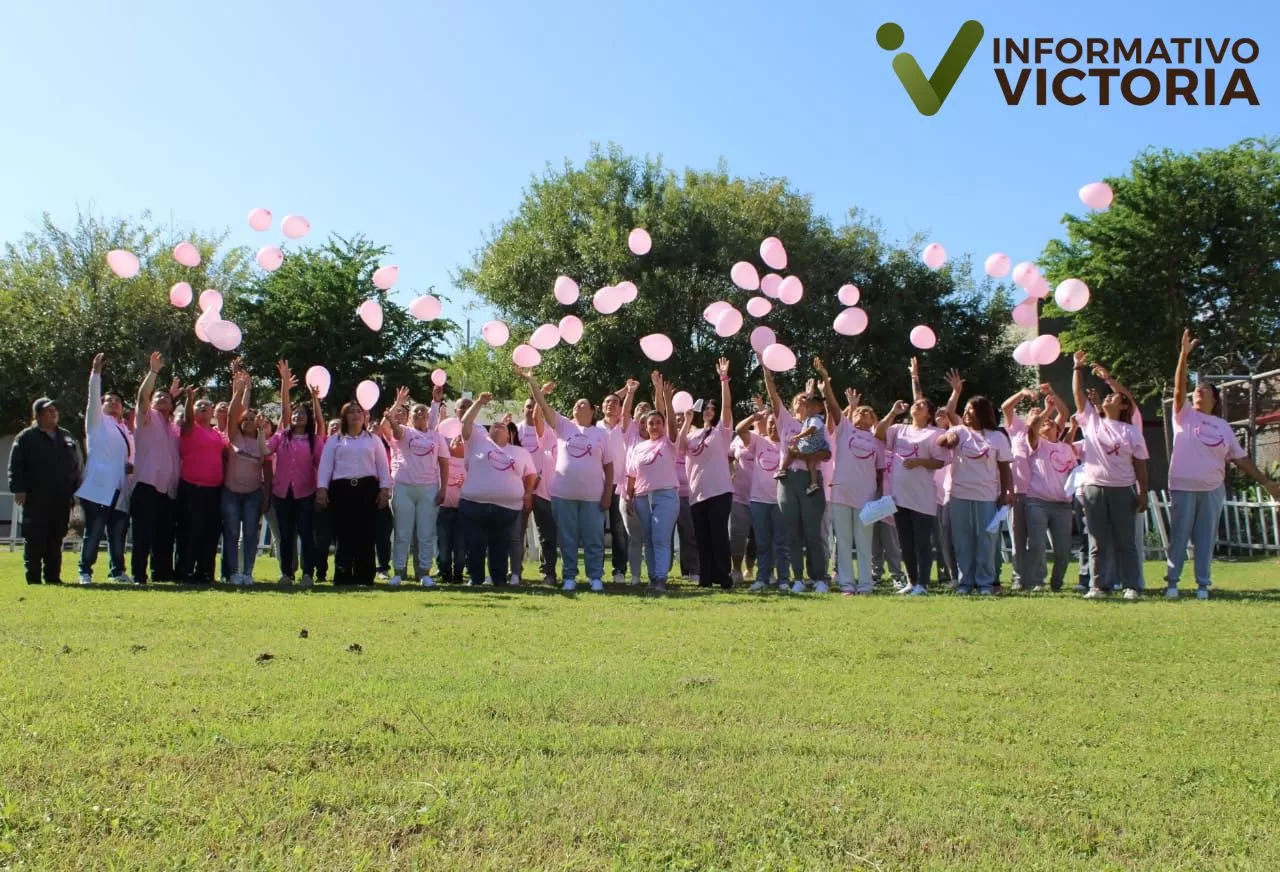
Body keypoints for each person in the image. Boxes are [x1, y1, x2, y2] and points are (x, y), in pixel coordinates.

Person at [1165, 329, 1280, 598]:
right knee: (1179, 537)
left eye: (1203, 391)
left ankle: (1203, 585)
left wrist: (1265, 482)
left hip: (1212, 489)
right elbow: (1179, 387)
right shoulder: (1183, 416)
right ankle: (1172, 583)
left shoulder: (1222, 426)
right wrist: (1183, 356)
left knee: (1206, 538)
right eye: (1196, 391)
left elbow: (1240, 459)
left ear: (1214, 399)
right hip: (1183, 487)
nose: (1198, 393)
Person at [521, 369, 614, 592]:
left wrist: (608, 493)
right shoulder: (564, 426)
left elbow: (609, 466)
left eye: (583, 404)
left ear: (592, 411)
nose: (577, 407)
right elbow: (542, 406)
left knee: (594, 538)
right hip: (563, 495)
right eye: (576, 404)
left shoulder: (601, 434)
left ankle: (595, 577)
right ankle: (569, 576)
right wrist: (533, 382)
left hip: (593, 496)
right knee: (567, 538)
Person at [1072, 350, 1149, 600]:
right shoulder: (1092, 422)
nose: (1108, 399)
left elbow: (1141, 465)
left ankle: (1131, 586)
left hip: (1123, 489)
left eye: (1114, 397)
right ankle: (1099, 585)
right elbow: (1077, 395)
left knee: (1125, 541)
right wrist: (1077, 369)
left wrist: (1143, 492)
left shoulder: (1131, 431)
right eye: (1107, 397)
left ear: (1124, 404)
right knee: (1098, 540)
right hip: (1094, 487)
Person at [936, 371, 1014, 596]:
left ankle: (985, 583)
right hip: (960, 495)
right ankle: (965, 582)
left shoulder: (997, 437)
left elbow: (1005, 468)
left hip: (987, 496)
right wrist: (947, 438)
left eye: (971, 410)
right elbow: (942, 440)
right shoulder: (960, 431)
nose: (967, 414)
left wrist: (1008, 491)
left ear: (981, 413)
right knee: (963, 541)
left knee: (986, 540)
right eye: (966, 410)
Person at [813, 359, 883, 595]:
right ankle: (846, 584)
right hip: (841, 492)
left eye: (868, 412)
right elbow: (833, 407)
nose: (863, 413)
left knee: (864, 542)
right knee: (842, 541)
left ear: (874, 421)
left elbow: (881, 471)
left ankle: (865, 584)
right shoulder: (845, 430)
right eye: (859, 411)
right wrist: (825, 379)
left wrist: (879, 496)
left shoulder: (877, 441)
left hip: (866, 495)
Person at [456, 393, 538, 588]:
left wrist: (527, 493)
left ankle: (499, 580)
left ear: (510, 434)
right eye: (494, 425)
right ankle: (475, 580)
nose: (498, 425)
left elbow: (532, 474)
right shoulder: (477, 441)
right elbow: (466, 421)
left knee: (500, 547)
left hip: (507, 508)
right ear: (487, 431)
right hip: (475, 504)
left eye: (502, 425)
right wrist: (479, 403)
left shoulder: (520, 452)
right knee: (475, 545)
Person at [763, 362, 830, 592]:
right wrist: (766, 370)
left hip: (810, 480)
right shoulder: (786, 421)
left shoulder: (817, 423)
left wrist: (803, 453)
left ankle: (819, 578)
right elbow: (772, 395)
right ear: (792, 406)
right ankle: (798, 579)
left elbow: (827, 453)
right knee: (792, 533)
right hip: (788, 481)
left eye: (806, 399)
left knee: (812, 533)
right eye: (799, 399)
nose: (802, 401)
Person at [875, 390, 949, 596]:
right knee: (905, 542)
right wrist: (892, 412)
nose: (917, 406)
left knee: (922, 543)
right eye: (916, 403)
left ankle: (923, 584)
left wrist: (919, 462)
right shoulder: (899, 429)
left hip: (923, 497)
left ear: (929, 413)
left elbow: (940, 461)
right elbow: (878, 433)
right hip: (900, 496)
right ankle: (912, 581)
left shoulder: (934, 434)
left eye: (922, 405)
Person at [1003, 385, 1076, 592]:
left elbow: (1064, 413)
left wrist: (1051, 394)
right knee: (1022, 540)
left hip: (1042, 496)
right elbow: (1007, 408)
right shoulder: (1019, 431)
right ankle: (1023, 578)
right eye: (1033, 412)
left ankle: (1040, 580)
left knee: (1043, 544)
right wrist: (1024, 394)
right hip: (1021, 493)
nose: (1038, 413)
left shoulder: (1053, 442)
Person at [74, 354, 135, 585]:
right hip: (99, 488)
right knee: (95, 530)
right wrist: (96, 373)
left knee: (118, 534)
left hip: (120, 489)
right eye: (108, 400)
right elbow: (92, 399)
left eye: (117, 401)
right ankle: (85, 572)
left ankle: (117, 571)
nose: (113, 403)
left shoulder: (124, 430)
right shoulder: (96, 422)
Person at [316, 401, 391, 585]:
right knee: (344, 532)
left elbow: (382, 467)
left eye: (359, 411)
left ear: (365, 416)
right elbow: (325, 467)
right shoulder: (335, 440)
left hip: (367, 489)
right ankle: (343, 574)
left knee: (366, 533)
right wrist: (322, 489)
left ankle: (365, 576)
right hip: (341, 490)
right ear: (345, 417)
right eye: (351, 412)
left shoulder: (373, 440)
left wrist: (384, 490)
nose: (355, 415)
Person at [265, 361, 326, 588]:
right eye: (295, 413)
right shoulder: (282, 436)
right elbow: (284, 410)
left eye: (302, 414)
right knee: (286, 535)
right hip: (282, 493)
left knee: (306, 534)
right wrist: (284, 385)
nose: (297, 416)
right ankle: (287, 573)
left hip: (305, 493)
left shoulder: (314, 441)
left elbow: (320, 423)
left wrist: (314, 399)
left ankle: (307, 574)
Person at [8, 397, 81, 584]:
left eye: (55, 410)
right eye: (49, 410)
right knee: (35, 538)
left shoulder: (66, 436)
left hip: (62, 497)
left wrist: (75, 492)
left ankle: (53, 577)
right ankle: (33, 578)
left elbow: (76, 466)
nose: (54, 413)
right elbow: (15, 465)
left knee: (56, 538)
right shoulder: (26, 437)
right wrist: (18, 489)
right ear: (38, 414)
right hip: (35, 497)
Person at [383, 386, 449, 587]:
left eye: (423, 411)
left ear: (429, 416)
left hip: (428, 489)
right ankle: (399, 572)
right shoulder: (406, 432)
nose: (420, 413)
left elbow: (444, 463)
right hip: (404, 488)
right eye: (415, 412)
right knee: (402, 533)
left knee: (425, 534)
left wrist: (443, 488)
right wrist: (397, 404)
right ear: (410, 418)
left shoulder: (436, 437)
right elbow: (390, 427)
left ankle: (424, 573)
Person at [679, 358, 735, 589]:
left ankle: (724, 577)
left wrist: (723, 379)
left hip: (719, 491)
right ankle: (706, 577)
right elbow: (679, 445)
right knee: (701, 538)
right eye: (707, 408)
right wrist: (687, 420)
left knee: (719, 536)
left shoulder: (721, 432)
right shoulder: (693, 434)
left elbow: (727, 408)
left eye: (713, 408)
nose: (710, 411)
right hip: (696, 493)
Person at [625, 372, 681, 593]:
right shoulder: (638, 447)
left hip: (665, 496)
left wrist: (666, 397)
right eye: (651, 423)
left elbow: (673, 427)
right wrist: (629, 497)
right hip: (641, 498)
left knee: (660, 537)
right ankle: (652, 577)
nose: (655, 426)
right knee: (648, 538)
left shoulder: (668, 443)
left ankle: (660, 578)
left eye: (658, 422)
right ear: (645, 426)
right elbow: (631, 474)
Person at [131, 352, 182, 584]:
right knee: (143, 534)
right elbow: (143, 395)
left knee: (164, 533)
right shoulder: (146, 418)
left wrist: (171, 397)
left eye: (166, 397)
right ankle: (139, 575)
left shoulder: (171, 426)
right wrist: (153, 372)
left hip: (168, 489)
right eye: (158, 396)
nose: (161, 398)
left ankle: (161, 573)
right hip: (146, 485)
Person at [222, 370, 272, 586]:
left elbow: (268, 468)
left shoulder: (262, 442)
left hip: (253, 495)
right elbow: (234, 413)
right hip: (231, 493)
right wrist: (242, 390)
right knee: (232, 533)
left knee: (250, 533)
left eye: (253, 419)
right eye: (246, 419)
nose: (249, 421)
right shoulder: (234, 437)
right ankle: (233, 573)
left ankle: (247, 573)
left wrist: (267, 496)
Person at [735, 407, 791, 592]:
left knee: (781, 544)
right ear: (765, 426)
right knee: (762, 542)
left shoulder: (788, 443)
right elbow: (740, 430)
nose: (773, 427)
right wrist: (753, 417)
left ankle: (783, 579)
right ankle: (762, 578)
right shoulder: (759, 441)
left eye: (776, 424)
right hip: (758, 500)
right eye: (770, 424)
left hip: (780, 501)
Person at [178, 385, 228, 584]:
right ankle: (185, 570)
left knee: (211, 532)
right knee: (192, 531)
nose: (203, 408)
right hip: (192, 488)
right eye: (199, 405)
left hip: (214, 490)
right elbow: (189, 418)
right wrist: (190, 399)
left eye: (206, 405)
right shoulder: (190, 428)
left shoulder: (217, 434)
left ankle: (205, 571)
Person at [516, 386, 558, 584]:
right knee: (517, 533)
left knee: (547, 534)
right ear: (522, 410)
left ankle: (548, 572)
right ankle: (515, 571)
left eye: (534, 406)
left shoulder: (548, 431)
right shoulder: (515, 431)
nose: (531, 410)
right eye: (527, 406)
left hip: (543, 489)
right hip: (520, 489)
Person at [598, 383, 636, 584]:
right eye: (607, 402)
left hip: (620, 485)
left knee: (619, 531)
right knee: (596, 530)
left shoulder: (625, 426)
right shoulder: (594, 427)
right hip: (598, 485)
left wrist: (629, 391)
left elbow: (628, 409)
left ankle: (619, 570)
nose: (610, 405)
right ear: (602, 407)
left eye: (615, 402)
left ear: (620, 408)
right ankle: (596, 570)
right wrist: (620, 392)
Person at [775, 393, 831, 496]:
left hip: (812, 449)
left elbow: (811, 431)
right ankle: (813, 484)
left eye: (804, 398)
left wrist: (798, 436)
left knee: (792, 451)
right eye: (797, 398)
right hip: (792, 476)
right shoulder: (787, 420)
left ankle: (783, 470)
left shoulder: (815, 420)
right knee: (810, 464)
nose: (800, 399)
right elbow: (773, 398)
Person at [436, 433, 468, 583]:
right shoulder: (443, 461)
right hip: (444, 509)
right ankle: (445, 572)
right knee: (444, 546)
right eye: (455, 439)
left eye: (461, 440)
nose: (458, 440)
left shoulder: (469, 463)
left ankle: (459, 573)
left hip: (462, 512)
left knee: (460, 547)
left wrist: (466, 484)